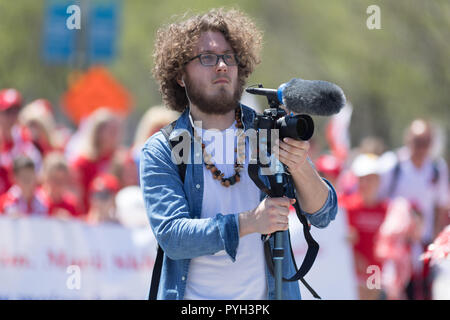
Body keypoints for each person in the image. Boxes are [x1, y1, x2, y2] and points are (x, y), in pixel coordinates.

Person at [140, 8, 338, 300]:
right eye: (207, 57)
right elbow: (173, 237)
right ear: (181, 75)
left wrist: (300, 166)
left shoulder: (267, 131)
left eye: (228, 56)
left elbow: (323, 214)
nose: (221, 65)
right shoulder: (163, 149)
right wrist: (249, 222)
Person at [378, 119, 449, 299]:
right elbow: (379, 199)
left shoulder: (436, 168)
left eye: (426, 142)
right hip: (395, 246)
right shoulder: (393, 165)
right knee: (394, 290)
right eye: (417, 141)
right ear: (408, 140)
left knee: (423, 291)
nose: (421, 147)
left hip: (423, 243)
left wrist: (434, 239)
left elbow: (441, 204)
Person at [339, 153, 388, 299]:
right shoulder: (344, 207)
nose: (365, 183)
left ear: (378, 180)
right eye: (362, 179)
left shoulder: (388, 210)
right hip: (350, 276)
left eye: (370, 178)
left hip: (376, 275)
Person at [0, 89, 42, 195]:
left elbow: (36, 170)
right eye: (8, 112)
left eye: (16, 111)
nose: (12, 117)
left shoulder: (24, 138)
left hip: (17, 203)